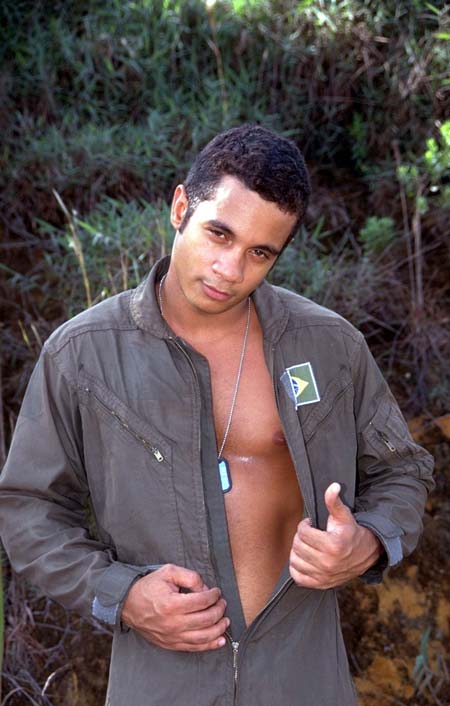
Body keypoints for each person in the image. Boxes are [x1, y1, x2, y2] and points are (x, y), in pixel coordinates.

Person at [0, 124, 434, 706]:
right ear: (181, 208)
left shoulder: (331, 346)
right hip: (162, 681)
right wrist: (122, 594)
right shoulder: (82, 355)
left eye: (260, 253)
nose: (230, 269)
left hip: (304, 674)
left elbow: (402, 470)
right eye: (219, 234)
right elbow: (27, 508)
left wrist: (371, 541)